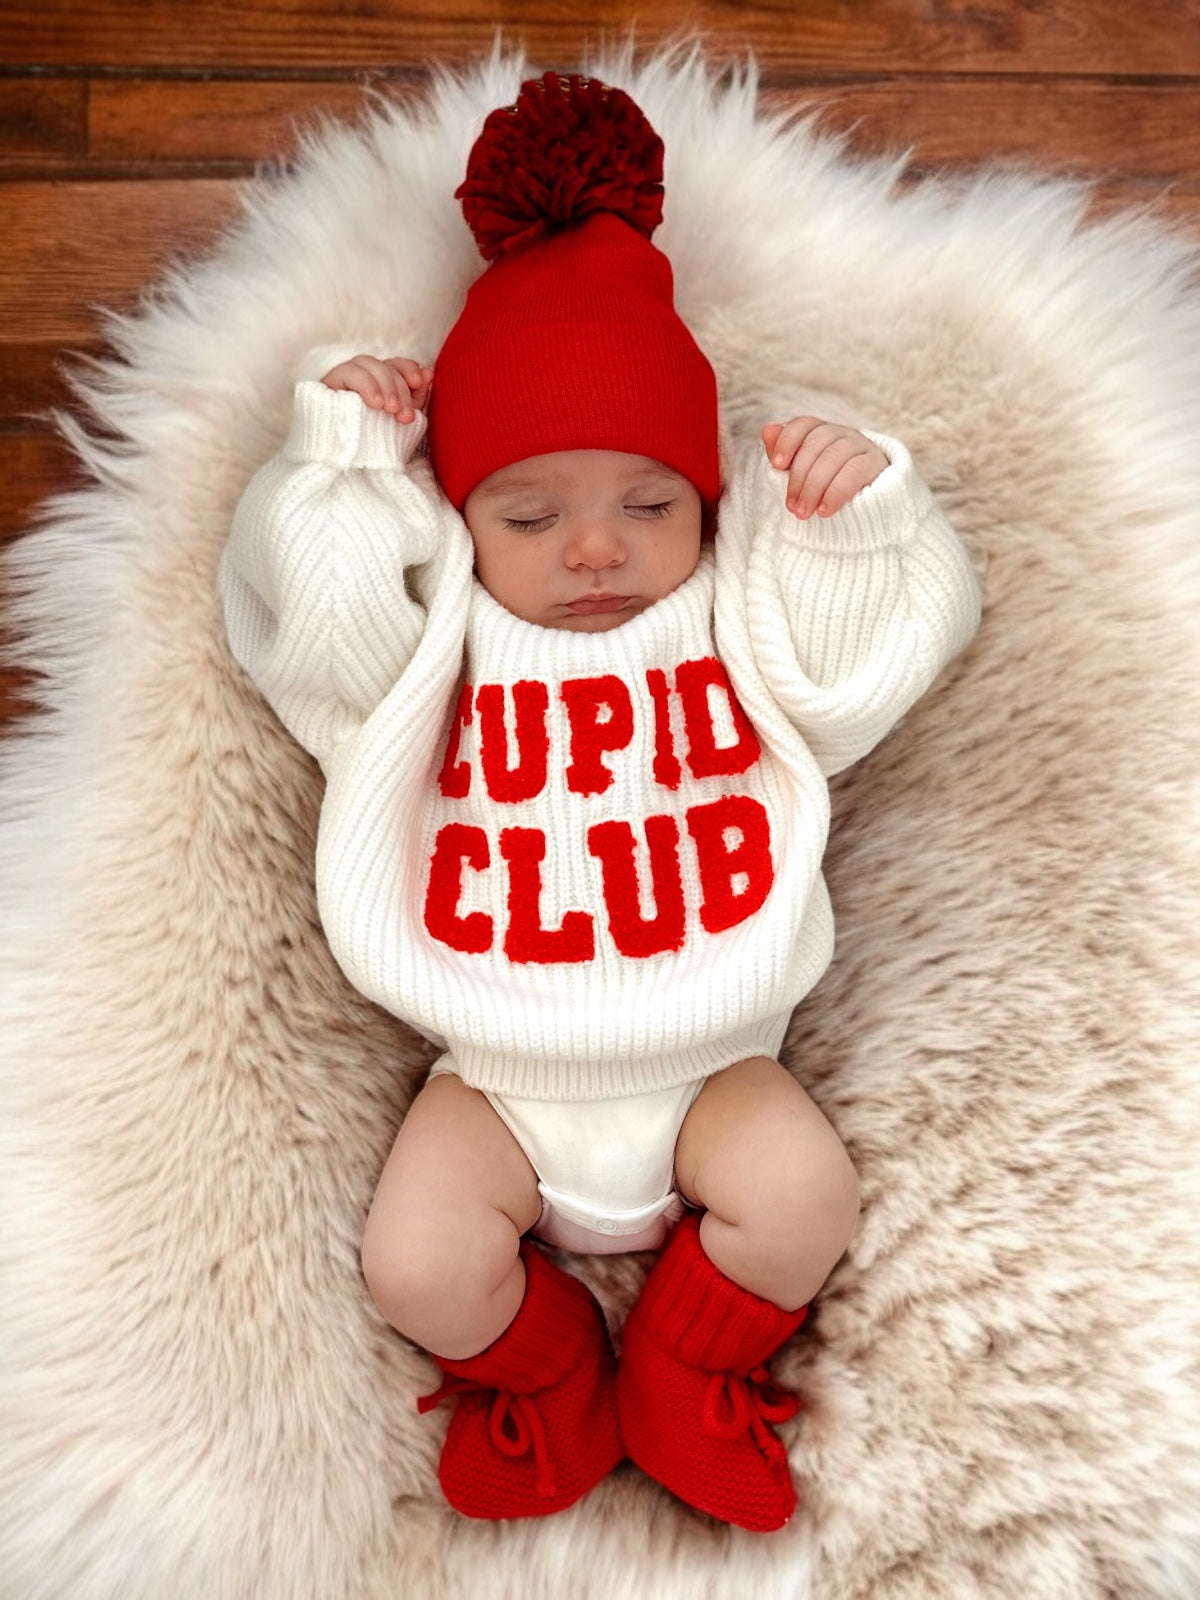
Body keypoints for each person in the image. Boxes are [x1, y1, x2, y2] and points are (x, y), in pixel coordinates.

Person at [221, 71, 981, 1532]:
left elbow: (870, 667)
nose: (593, 552)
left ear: (702, 505)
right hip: (493, 1077)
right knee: (418, 1263)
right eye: (529, 513)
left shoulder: (726, 612)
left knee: (807, 1196)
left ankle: (685, 1376)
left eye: (650, 504)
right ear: (463, 517)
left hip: (720, 1061)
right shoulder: (441, 631)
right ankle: (555, 1373)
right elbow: (305, 631)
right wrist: (342, 465)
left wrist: (862, 517)